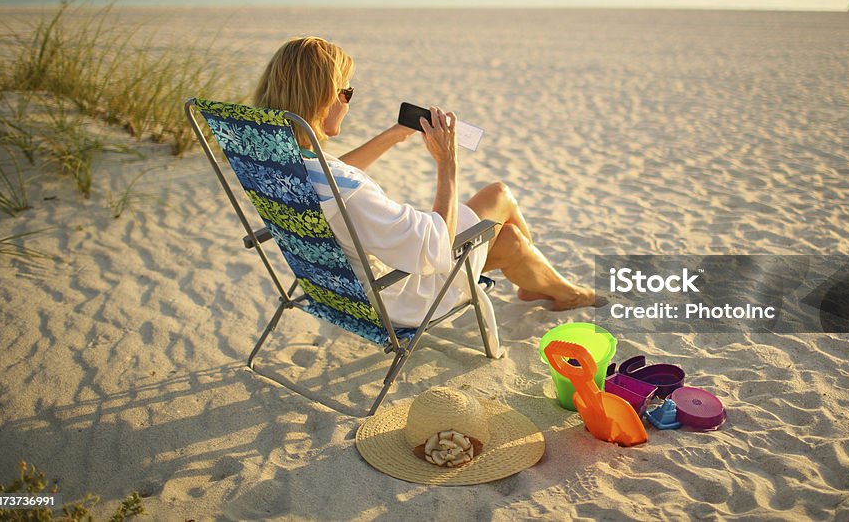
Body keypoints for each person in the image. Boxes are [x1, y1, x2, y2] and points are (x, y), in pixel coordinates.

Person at [251, 37, 597, 332]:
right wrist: (447, 163)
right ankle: (553, 285)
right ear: (324, 99)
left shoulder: (276, 167)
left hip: (337, 289)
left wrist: (393, 135)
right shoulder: (351, 191)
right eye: (347, 92)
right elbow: (434, 251)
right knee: (500, 197)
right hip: (400, 298)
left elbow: (332, 173)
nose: (348, 101)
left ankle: (538, 277)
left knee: (509, 238)